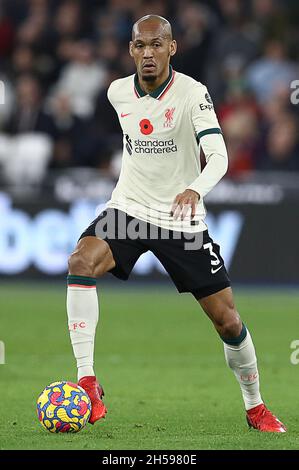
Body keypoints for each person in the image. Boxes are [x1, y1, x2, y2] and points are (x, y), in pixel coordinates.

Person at [66, 15, 286, 432]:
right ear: (131, 50)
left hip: (180, 221)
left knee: (228, 321)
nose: (148, 53)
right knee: (80, 260)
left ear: (172, 48)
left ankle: (255, 406)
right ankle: (87, 382)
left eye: (156, 44)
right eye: (140, 45)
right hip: (129, 210)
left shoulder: (192, 93)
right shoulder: (117, 93)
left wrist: (194, 189)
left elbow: (219, 156)